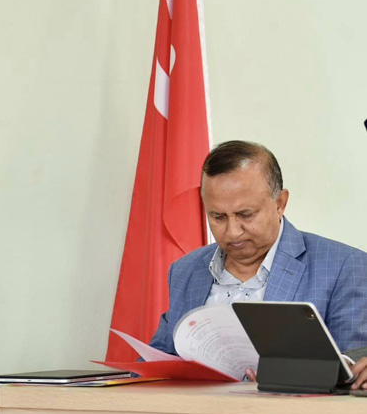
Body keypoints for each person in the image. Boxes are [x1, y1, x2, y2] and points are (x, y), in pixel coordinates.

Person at [148, 141, 367, 365]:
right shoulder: (185, 270)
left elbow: (353, 371)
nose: (232, 232)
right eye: (218, 217)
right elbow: (157, 362)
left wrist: (279, 377)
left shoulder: (345, 268)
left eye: (245, 214)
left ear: (280, 203)